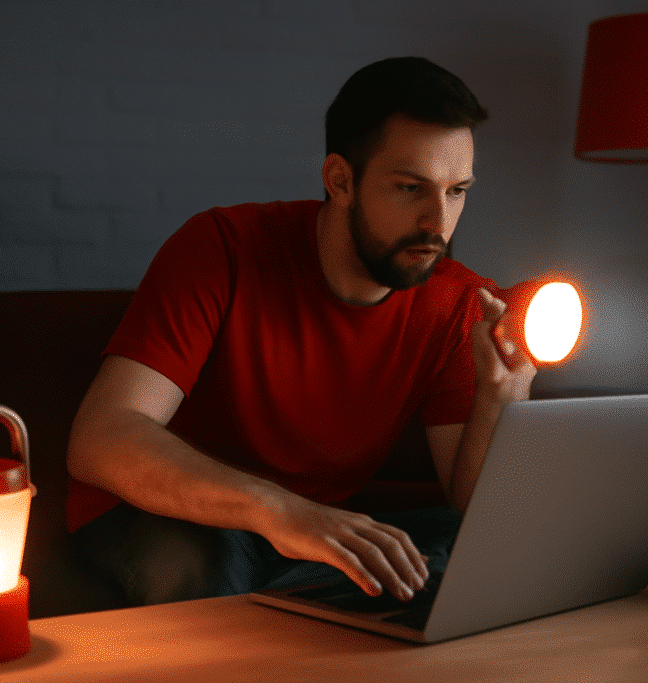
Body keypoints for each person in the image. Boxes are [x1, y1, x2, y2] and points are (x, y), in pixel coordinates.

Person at [66, 56, 536, 608]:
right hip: (168, 510)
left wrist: (503, 395)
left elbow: (473, 509)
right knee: (205, 576)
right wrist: (277, 510)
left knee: (466, 559)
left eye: (457, 191)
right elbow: (101, 437)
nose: (439, 222)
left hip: (314, 529)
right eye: (411, 188)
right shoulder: (221, 249)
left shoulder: (460, 302)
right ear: (340, 180)